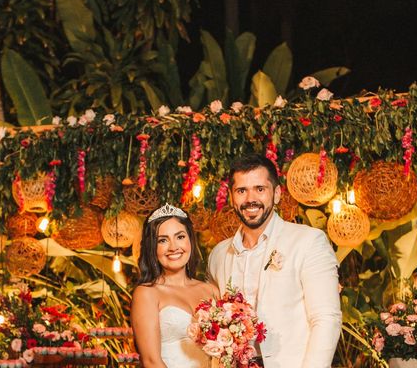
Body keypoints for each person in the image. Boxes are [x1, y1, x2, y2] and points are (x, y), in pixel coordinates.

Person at [207, 153, 342, 368]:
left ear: (277, 194)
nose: (250, 199)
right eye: (241, 191)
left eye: (260, 189)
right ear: (232, 198)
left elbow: (326, 319)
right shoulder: (219, 255)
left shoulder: (308, 241)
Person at [131, 203, 218, 368]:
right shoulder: (147, 293)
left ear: (190, 240)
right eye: (163, 240)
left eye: (180, 237)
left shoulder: (211, 291)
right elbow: (151, 361)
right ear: (153, 248)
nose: (173, 247)